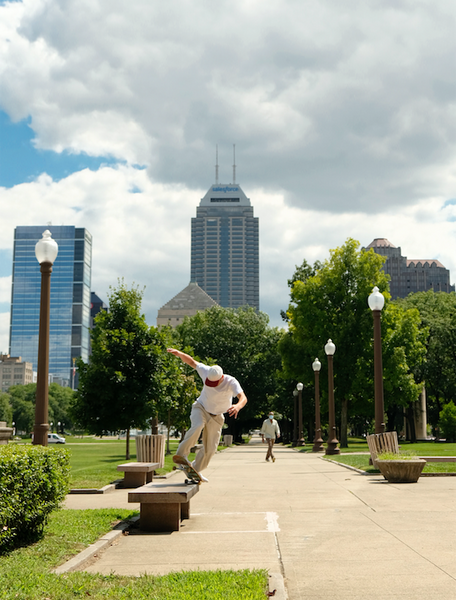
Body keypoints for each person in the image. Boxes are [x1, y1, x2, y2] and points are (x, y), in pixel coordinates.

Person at [167, 348, 248, 478]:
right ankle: (181, 455)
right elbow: (192, 362)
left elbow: (243, 397)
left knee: (210, 449)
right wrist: (180, 354)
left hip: (217, 417)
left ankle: (195, 470)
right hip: (201, 408)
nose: (212, 385)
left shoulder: (231, 382)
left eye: (214, 383)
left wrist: (238, 406)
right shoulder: (206, 371)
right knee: (198, 425)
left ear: (222, 378)